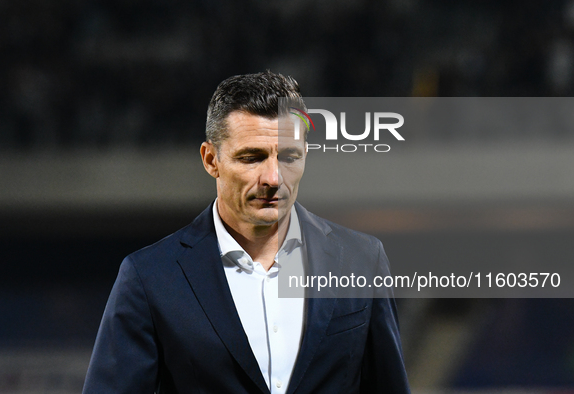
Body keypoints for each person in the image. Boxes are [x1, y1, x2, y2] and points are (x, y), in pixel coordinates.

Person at [83, 71, 410, 393]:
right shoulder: (149, 278)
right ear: (211, 159)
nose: (273, 177)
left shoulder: (362, 260)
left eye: (289, 157)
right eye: (252, 158)